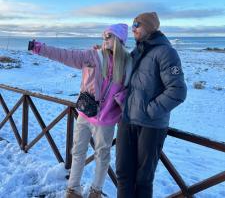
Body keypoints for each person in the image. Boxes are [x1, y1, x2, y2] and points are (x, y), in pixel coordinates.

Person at [31, 24, 132, 198]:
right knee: (77, 151)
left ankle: (96, 191)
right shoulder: (92, 55)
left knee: (102, 155)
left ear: (119, 39)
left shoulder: (129, 64)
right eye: (104, 35)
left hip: (107, 120)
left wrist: (122, 98)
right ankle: (73, 189)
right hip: (85, 114)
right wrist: (39, 48)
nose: (104, 38)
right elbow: (65, 55)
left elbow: (136, 88)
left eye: (108, 35)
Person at [116, 12, 187, 198]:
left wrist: (150, 111)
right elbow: (120, 70)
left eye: (137, 24)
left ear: (149, 27)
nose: (133, 29)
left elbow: (178, 90)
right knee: (123, 175)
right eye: (132, 25)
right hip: (127, 121)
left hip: (150, 126)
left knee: (143, 180)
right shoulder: (137, 52)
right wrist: (103, 52)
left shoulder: (166, 52)